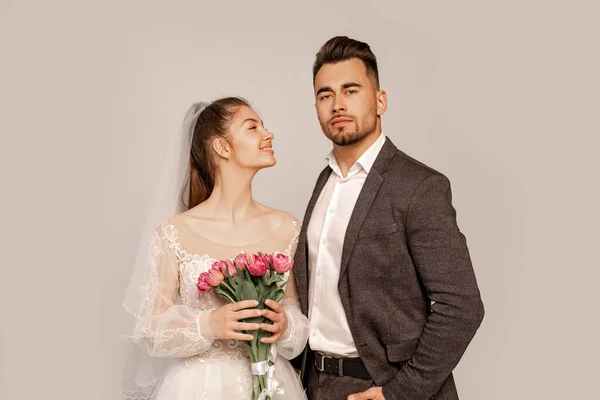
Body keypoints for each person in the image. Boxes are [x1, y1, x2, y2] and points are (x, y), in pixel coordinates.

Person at [292, 36, 485, 400]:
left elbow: (462, 307)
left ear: (380, 100)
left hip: (382, 386)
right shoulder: (324, 184)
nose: (337, 104)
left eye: (351, 90)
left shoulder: (420, 186)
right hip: (317, 385)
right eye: (325, 95)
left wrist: (398, 393)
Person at [120, 97, 309, 399]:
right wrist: (208, 324)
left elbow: (296, 315)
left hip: (272, 384)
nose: (268, 134)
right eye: (253, 127)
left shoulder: (288, 227)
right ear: (222, 147)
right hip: (198, 387)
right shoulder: (174, 232)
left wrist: (285, 324)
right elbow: (150, 330)